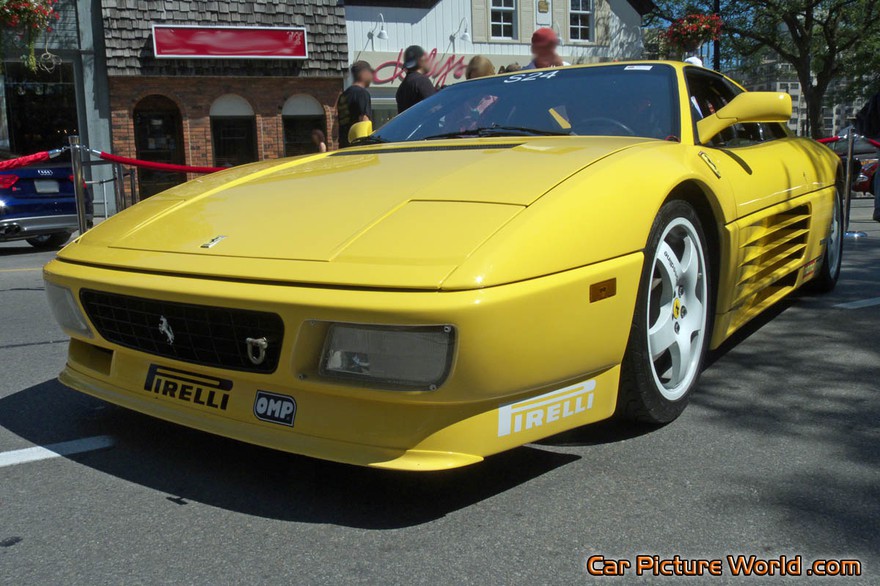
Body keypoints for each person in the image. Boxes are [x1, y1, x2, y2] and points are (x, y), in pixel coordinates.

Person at [337, 60, 374, 148]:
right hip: (358, 146)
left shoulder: (343, 96)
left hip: (344, 146)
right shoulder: (362, 93)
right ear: (364, 73)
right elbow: (364, 120)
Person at [396, 45, 437, 113]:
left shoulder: (402, 87)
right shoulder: (422, 81)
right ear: (422, 59)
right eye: (427, 58)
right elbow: (434, 109)